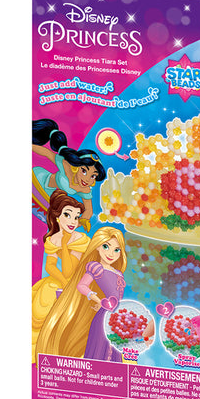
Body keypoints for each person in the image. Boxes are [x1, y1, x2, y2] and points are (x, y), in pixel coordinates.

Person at [35, 227, 127, 362]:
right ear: (97, 246)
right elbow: (81, 286)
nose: (111, 253)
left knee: (114, 348)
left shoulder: (118, 273)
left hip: (117, 316)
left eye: (116, 250)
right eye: (106, 246)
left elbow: (117, 296)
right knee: (101, 347)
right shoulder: (96, 267)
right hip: (104, 315)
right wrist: (99, 300)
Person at [31, 190, 90, 362]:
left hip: (78, 282)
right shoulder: (52, 239)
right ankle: (38, 351)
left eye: (76, 217)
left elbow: (69, 271)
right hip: (59, 282)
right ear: (57, 217)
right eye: (67, 215)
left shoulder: (80, 239)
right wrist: (63, 282)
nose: (73, 221)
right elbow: (50, 266)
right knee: (41, 303)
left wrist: (64, 245)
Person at [32, 118, 106, 230]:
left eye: (93, 176)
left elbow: (89, 211)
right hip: (38, 179)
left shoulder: (84, 189)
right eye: (84, 171)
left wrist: (78, 222)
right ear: (77, 167)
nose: (87, 179)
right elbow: (47, 153)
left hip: (49, 195)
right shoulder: (67, 167)